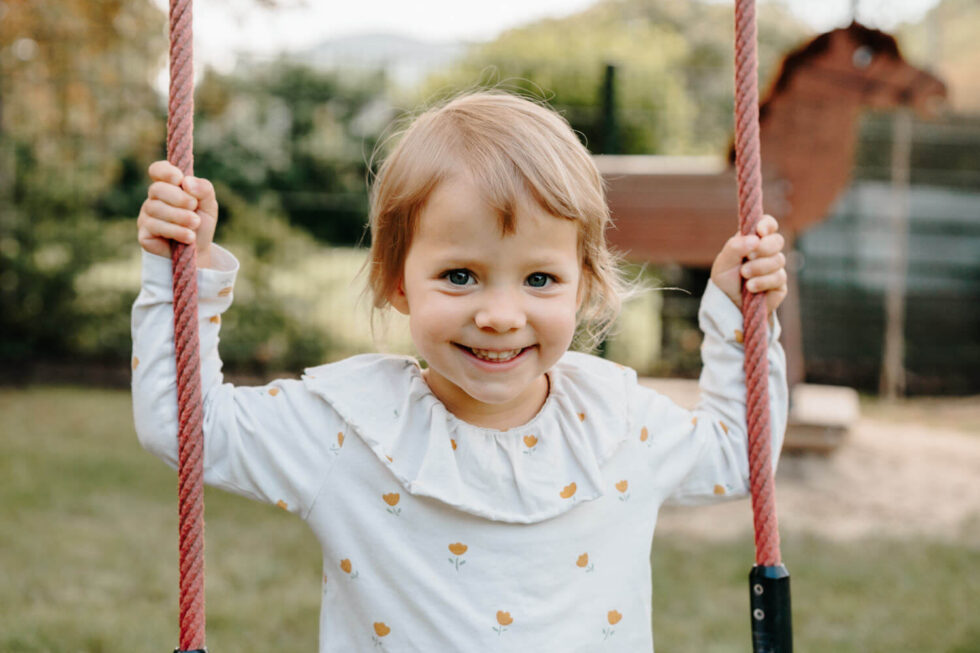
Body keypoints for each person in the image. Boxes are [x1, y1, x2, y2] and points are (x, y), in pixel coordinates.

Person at [132, 91, 788, 652]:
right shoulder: (351, 429)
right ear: (397, 280)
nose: (501, 314)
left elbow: (740, 455)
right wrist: (180, 276)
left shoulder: (617, 426)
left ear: (582, 286)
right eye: (459, 276)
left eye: (539, 278)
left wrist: (739, 317)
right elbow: (185, 427)